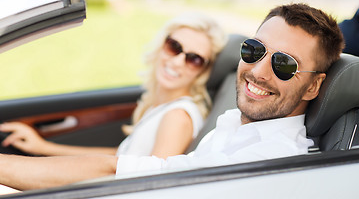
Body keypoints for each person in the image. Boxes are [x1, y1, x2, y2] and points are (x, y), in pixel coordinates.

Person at [0, 3, 345, 191]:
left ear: (314, 86)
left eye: (285, 64)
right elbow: (143, 167)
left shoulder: (271, 160)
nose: (259, 71)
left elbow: (128, 173)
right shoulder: (234, 126)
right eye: (253, 50)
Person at [0, 12, 226, 160]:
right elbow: (121, 158)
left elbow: (153, 187)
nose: (177, 61)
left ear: (203, 71)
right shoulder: (161, 106)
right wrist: (44, 148)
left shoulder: (177, 117)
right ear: (162, 45)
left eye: (194, 59)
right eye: (174, 46)